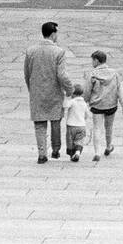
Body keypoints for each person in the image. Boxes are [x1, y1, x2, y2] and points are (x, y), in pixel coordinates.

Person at [23, 21, 75, 164]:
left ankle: (41, 154)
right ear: (53, 34)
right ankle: (56, 150)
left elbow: (27, 74)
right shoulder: (59, 52)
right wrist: (70, 89)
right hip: (54, 92)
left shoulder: (31, 51)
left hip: (37, 92)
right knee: (55, 120)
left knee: (39, 124)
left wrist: (31, 88)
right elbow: (62, 75)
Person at [83, 50, 123, 161]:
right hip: (111, 105)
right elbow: (120, 90)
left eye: (92, 60)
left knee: (97, 128)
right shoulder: (114, 73)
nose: (92, 62)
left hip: (97, 105)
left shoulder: (93, 74)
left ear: (96, 60)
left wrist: (84, 101)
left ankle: (97, 152)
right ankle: (109, 147)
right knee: (109, 127)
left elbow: (87, 91)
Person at [62, 85, 90, 162]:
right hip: (81, 126)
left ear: (73, 94)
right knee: (80, 140)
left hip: (71, 126)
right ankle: (77, 153)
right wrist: (83, 120)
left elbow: (65, 105)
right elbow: (87, 114)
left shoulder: (72, 101)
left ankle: (72, 155)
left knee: (70, 141)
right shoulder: (84, 103)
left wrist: (66, 98)